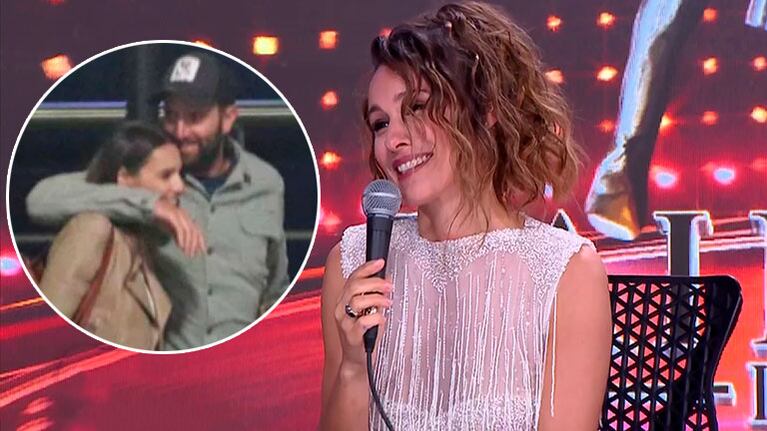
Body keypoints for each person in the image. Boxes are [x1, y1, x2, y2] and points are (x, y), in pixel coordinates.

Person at [320, 2, 612, 430]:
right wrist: (352, 367)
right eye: (381, 123)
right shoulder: (352, 263)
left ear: (487, 109)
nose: (394, 139)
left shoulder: (566, 271)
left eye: (417, 107)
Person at [27, 49, 289, 350]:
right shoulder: (152, 179)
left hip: (241, 361)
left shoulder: (266, 183)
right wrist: (150, 206)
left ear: (228, 118)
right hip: (166, 364)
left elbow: (276, 288)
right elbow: (41, 200)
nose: (180, 131)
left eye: (194, 117)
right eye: (171, 115)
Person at [39, 122, 182, 350]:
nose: (180, 186)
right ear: (124, 178)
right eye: (166, 175)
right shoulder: (93, 230)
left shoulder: (141, 244)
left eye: (179, 174)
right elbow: (43, 334)